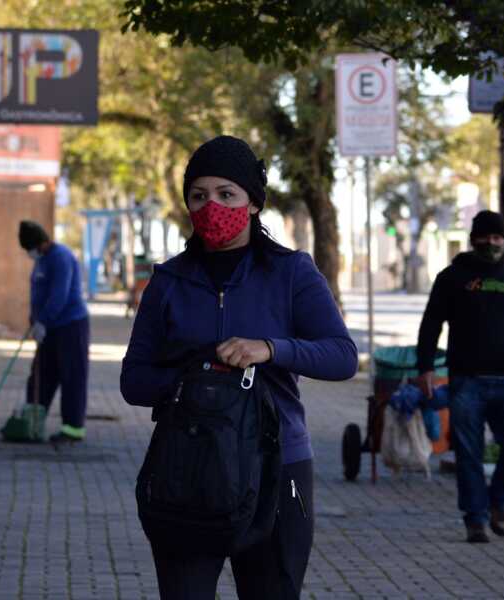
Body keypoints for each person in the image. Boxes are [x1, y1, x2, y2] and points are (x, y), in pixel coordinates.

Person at [120, 135, 358, 599]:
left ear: (252, 203)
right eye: (199, 195)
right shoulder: (167, 281)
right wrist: (196, 375)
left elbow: (342, 356)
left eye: (226, 194)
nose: (212, 206)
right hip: (186, 468)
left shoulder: (292, 273)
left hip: (277, 467)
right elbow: (134, 381)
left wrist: (271, 349)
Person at [416, 210, 504, 544]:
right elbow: (431, 325)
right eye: (486, 237)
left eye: (498, 238)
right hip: (466, 380)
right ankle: (475, 519)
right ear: (473, 239)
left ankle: (498, 503)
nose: (492, 243)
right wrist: (425, 367)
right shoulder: (452, 278)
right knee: (468, 454)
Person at [18, 220, 90, 444]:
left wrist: (43, 321)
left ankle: (73, 428)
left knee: (71, 376)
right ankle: (31, 423)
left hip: (71, 325)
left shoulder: (61, 257)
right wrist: (34, 321)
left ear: (40, 243)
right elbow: (37, 292)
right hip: (48, 327)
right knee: (41, 373)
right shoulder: (42, 260)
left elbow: (60, 295)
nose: (30, 254)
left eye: (30, 249)